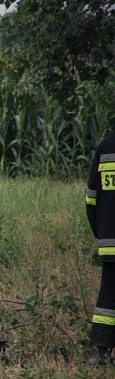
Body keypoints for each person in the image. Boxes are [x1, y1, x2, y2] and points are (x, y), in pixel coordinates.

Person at [86, 131, 115, 366]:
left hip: (109, 241)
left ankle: (102, 354)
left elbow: (91, 198)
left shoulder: (105, 147)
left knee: (108, 299)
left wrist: (101, 232)